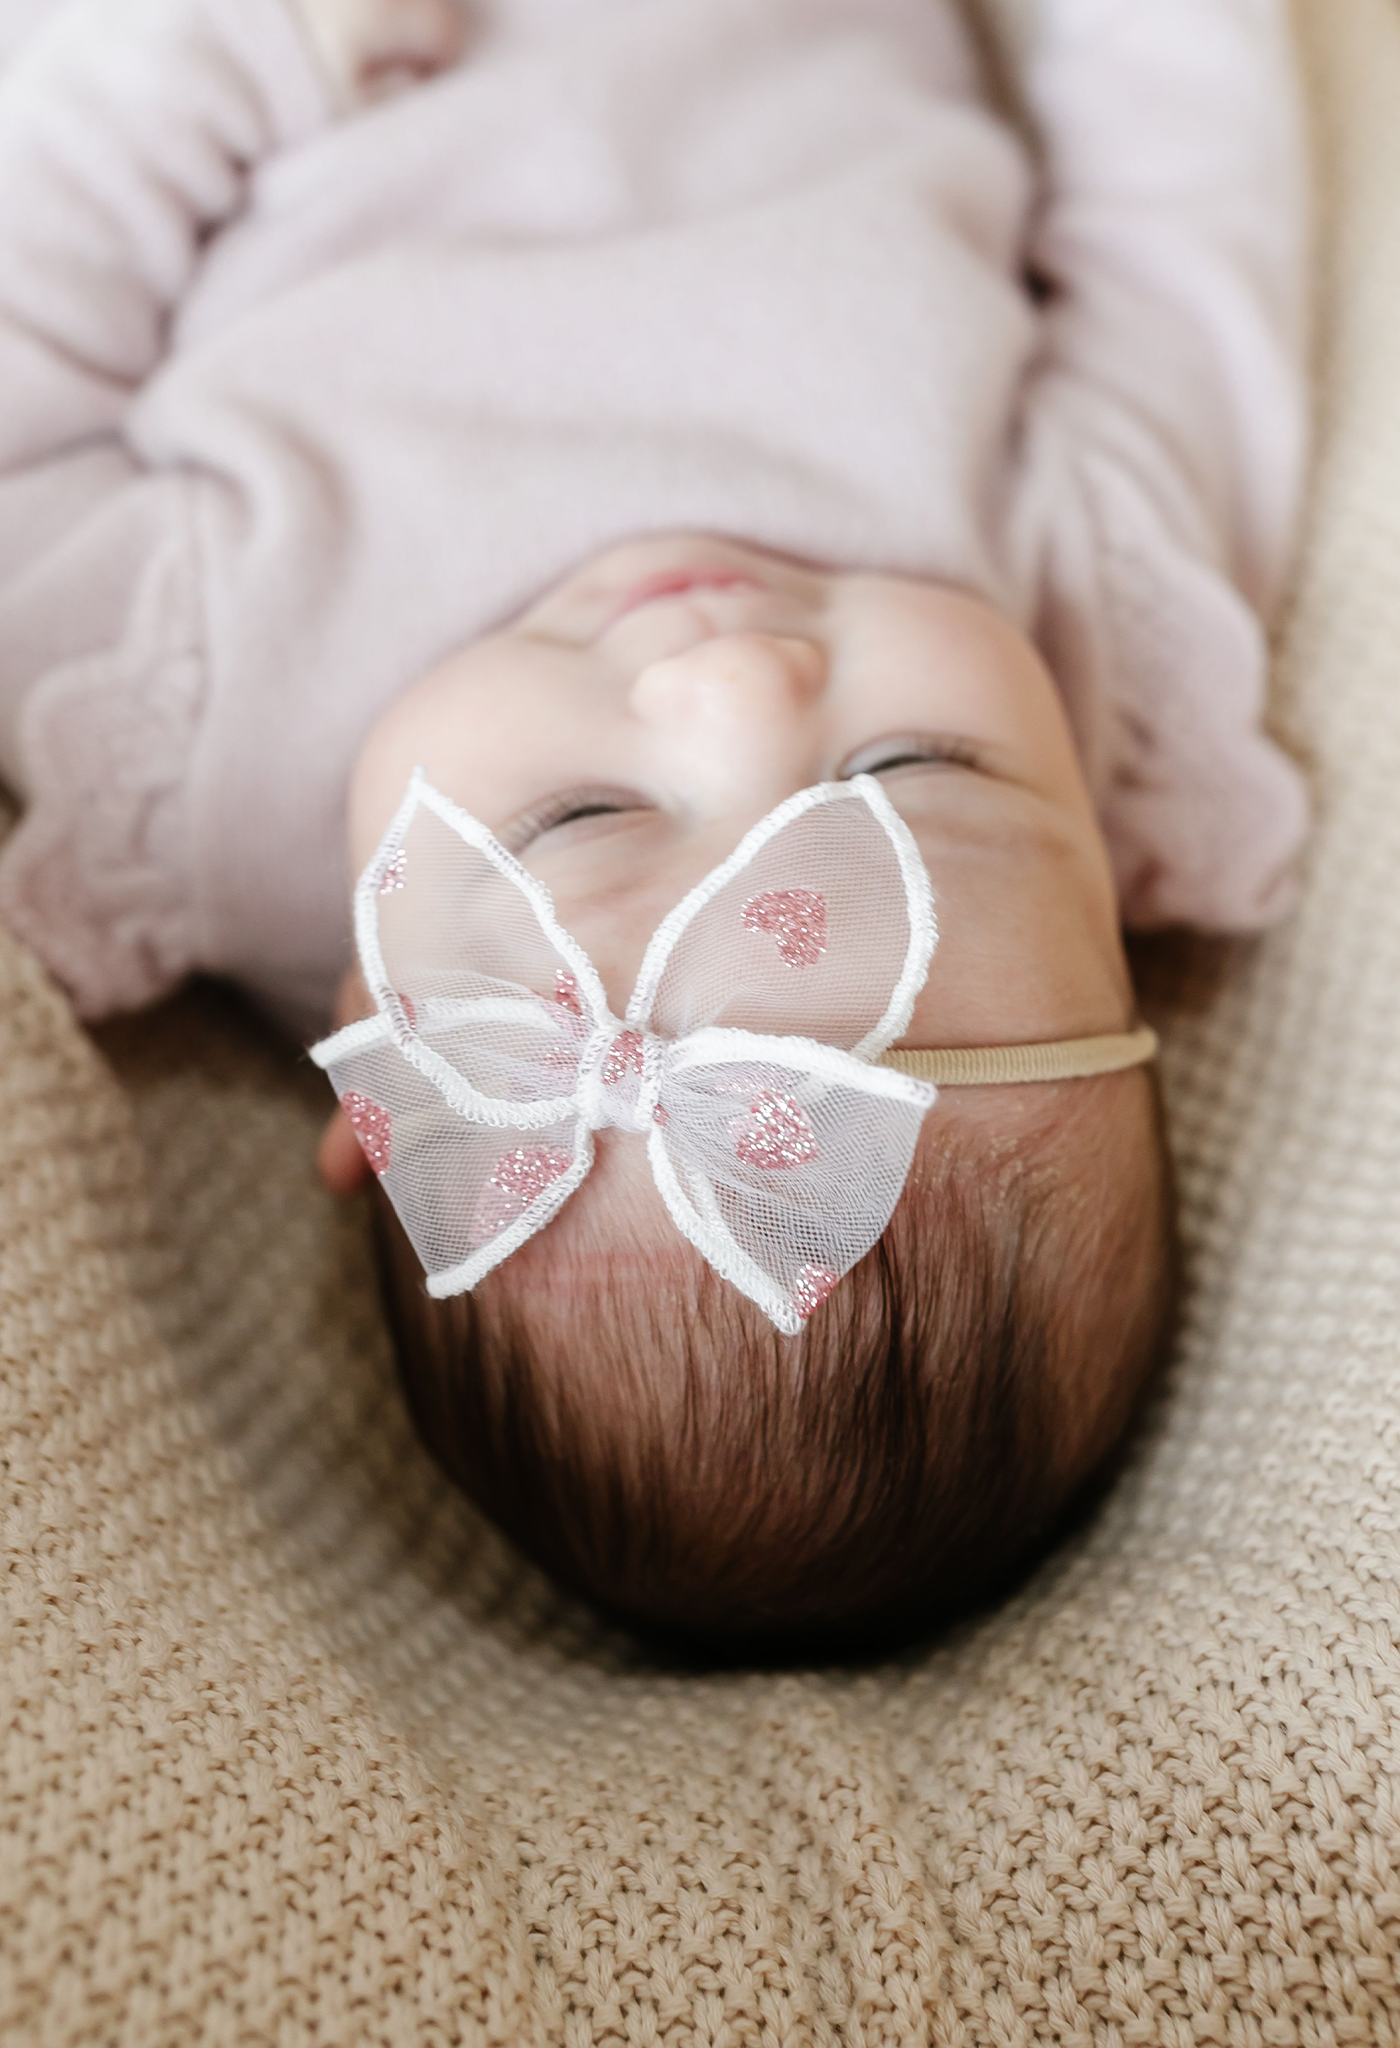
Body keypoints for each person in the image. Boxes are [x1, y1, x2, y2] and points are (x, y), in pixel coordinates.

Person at [0, 0, 1308, 1647]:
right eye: (912, 772)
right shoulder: (1095, 629)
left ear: (371, 1041)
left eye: (579, 821)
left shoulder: (189, 750)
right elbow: (1183, 226)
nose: (743, 683)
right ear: (1121, 888)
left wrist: (237, 47)